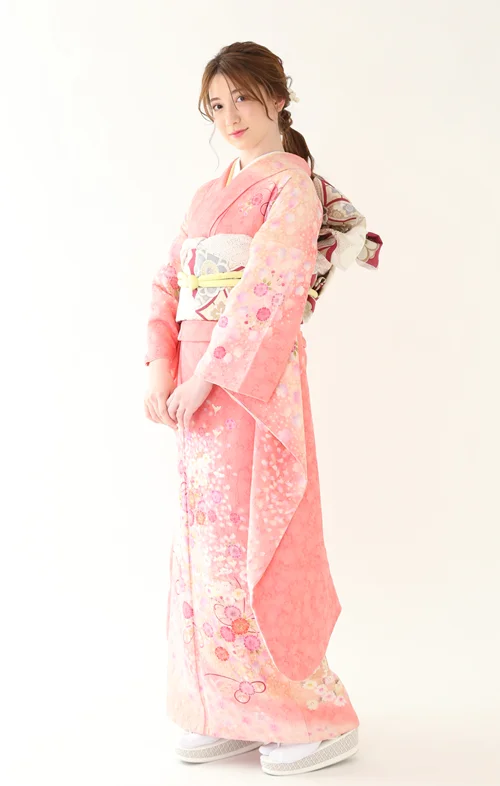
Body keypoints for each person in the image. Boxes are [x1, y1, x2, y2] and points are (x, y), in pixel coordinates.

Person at [144, 41, 381, 777]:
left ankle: (312, 717)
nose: (231, 116)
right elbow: (167, 280)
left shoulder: (291, 188)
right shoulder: (207, 193)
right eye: (217, 105)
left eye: (243, 98)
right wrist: (161, 366)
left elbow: (268, 293)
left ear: (279, 98)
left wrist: (206, 377)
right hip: (194, 392)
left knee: (259, 544)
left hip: (253, 387)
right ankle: (227, 706)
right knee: (206, 546)